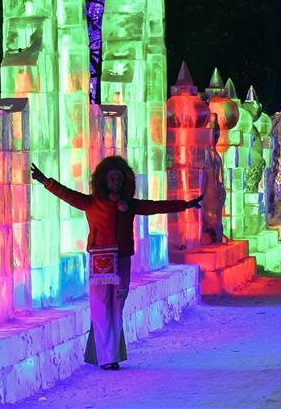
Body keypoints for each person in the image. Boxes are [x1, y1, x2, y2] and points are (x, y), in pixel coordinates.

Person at [30, 156, 201, 370]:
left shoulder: (129, 205)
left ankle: (110, 354)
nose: (115, 183)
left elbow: (156, 206)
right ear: (103, 180)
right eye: (111, 179)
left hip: (121, 263)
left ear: (124, 181)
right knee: (100, 309)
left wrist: (186, 205)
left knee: (117, 308)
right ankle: (107, 357)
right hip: (100, 262)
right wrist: (46, 181)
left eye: (118, 179)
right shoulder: (91, 202)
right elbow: (67, 194)